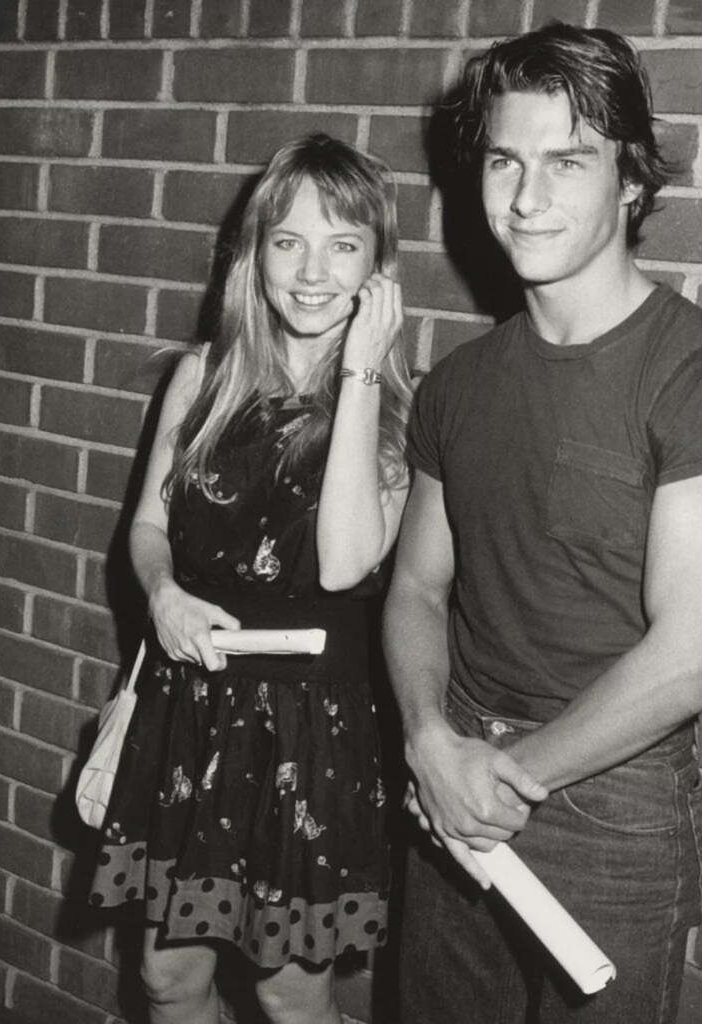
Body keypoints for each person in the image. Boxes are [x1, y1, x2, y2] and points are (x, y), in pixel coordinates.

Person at [383, 21, 702, 1024]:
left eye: (567, 161)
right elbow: (415, 588)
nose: (527, 198)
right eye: (504, 161)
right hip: (455, 776)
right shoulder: (459, 384)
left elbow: (693, 659)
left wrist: (501, 776)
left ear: (630, 183)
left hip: (612, 801)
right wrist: (431, 740)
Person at [89, 133, 412, 1024]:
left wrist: (356, 375)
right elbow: (147, 527)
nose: (312, 272)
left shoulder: (394, 411)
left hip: (309, 733)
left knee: (289, 993)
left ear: (377, 270)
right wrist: (160, 594)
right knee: (167, 980)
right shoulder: (203, 377)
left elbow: (348, 561)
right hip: (188, 710)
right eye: (288, 241)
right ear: (254, 252)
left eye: (343, 245)